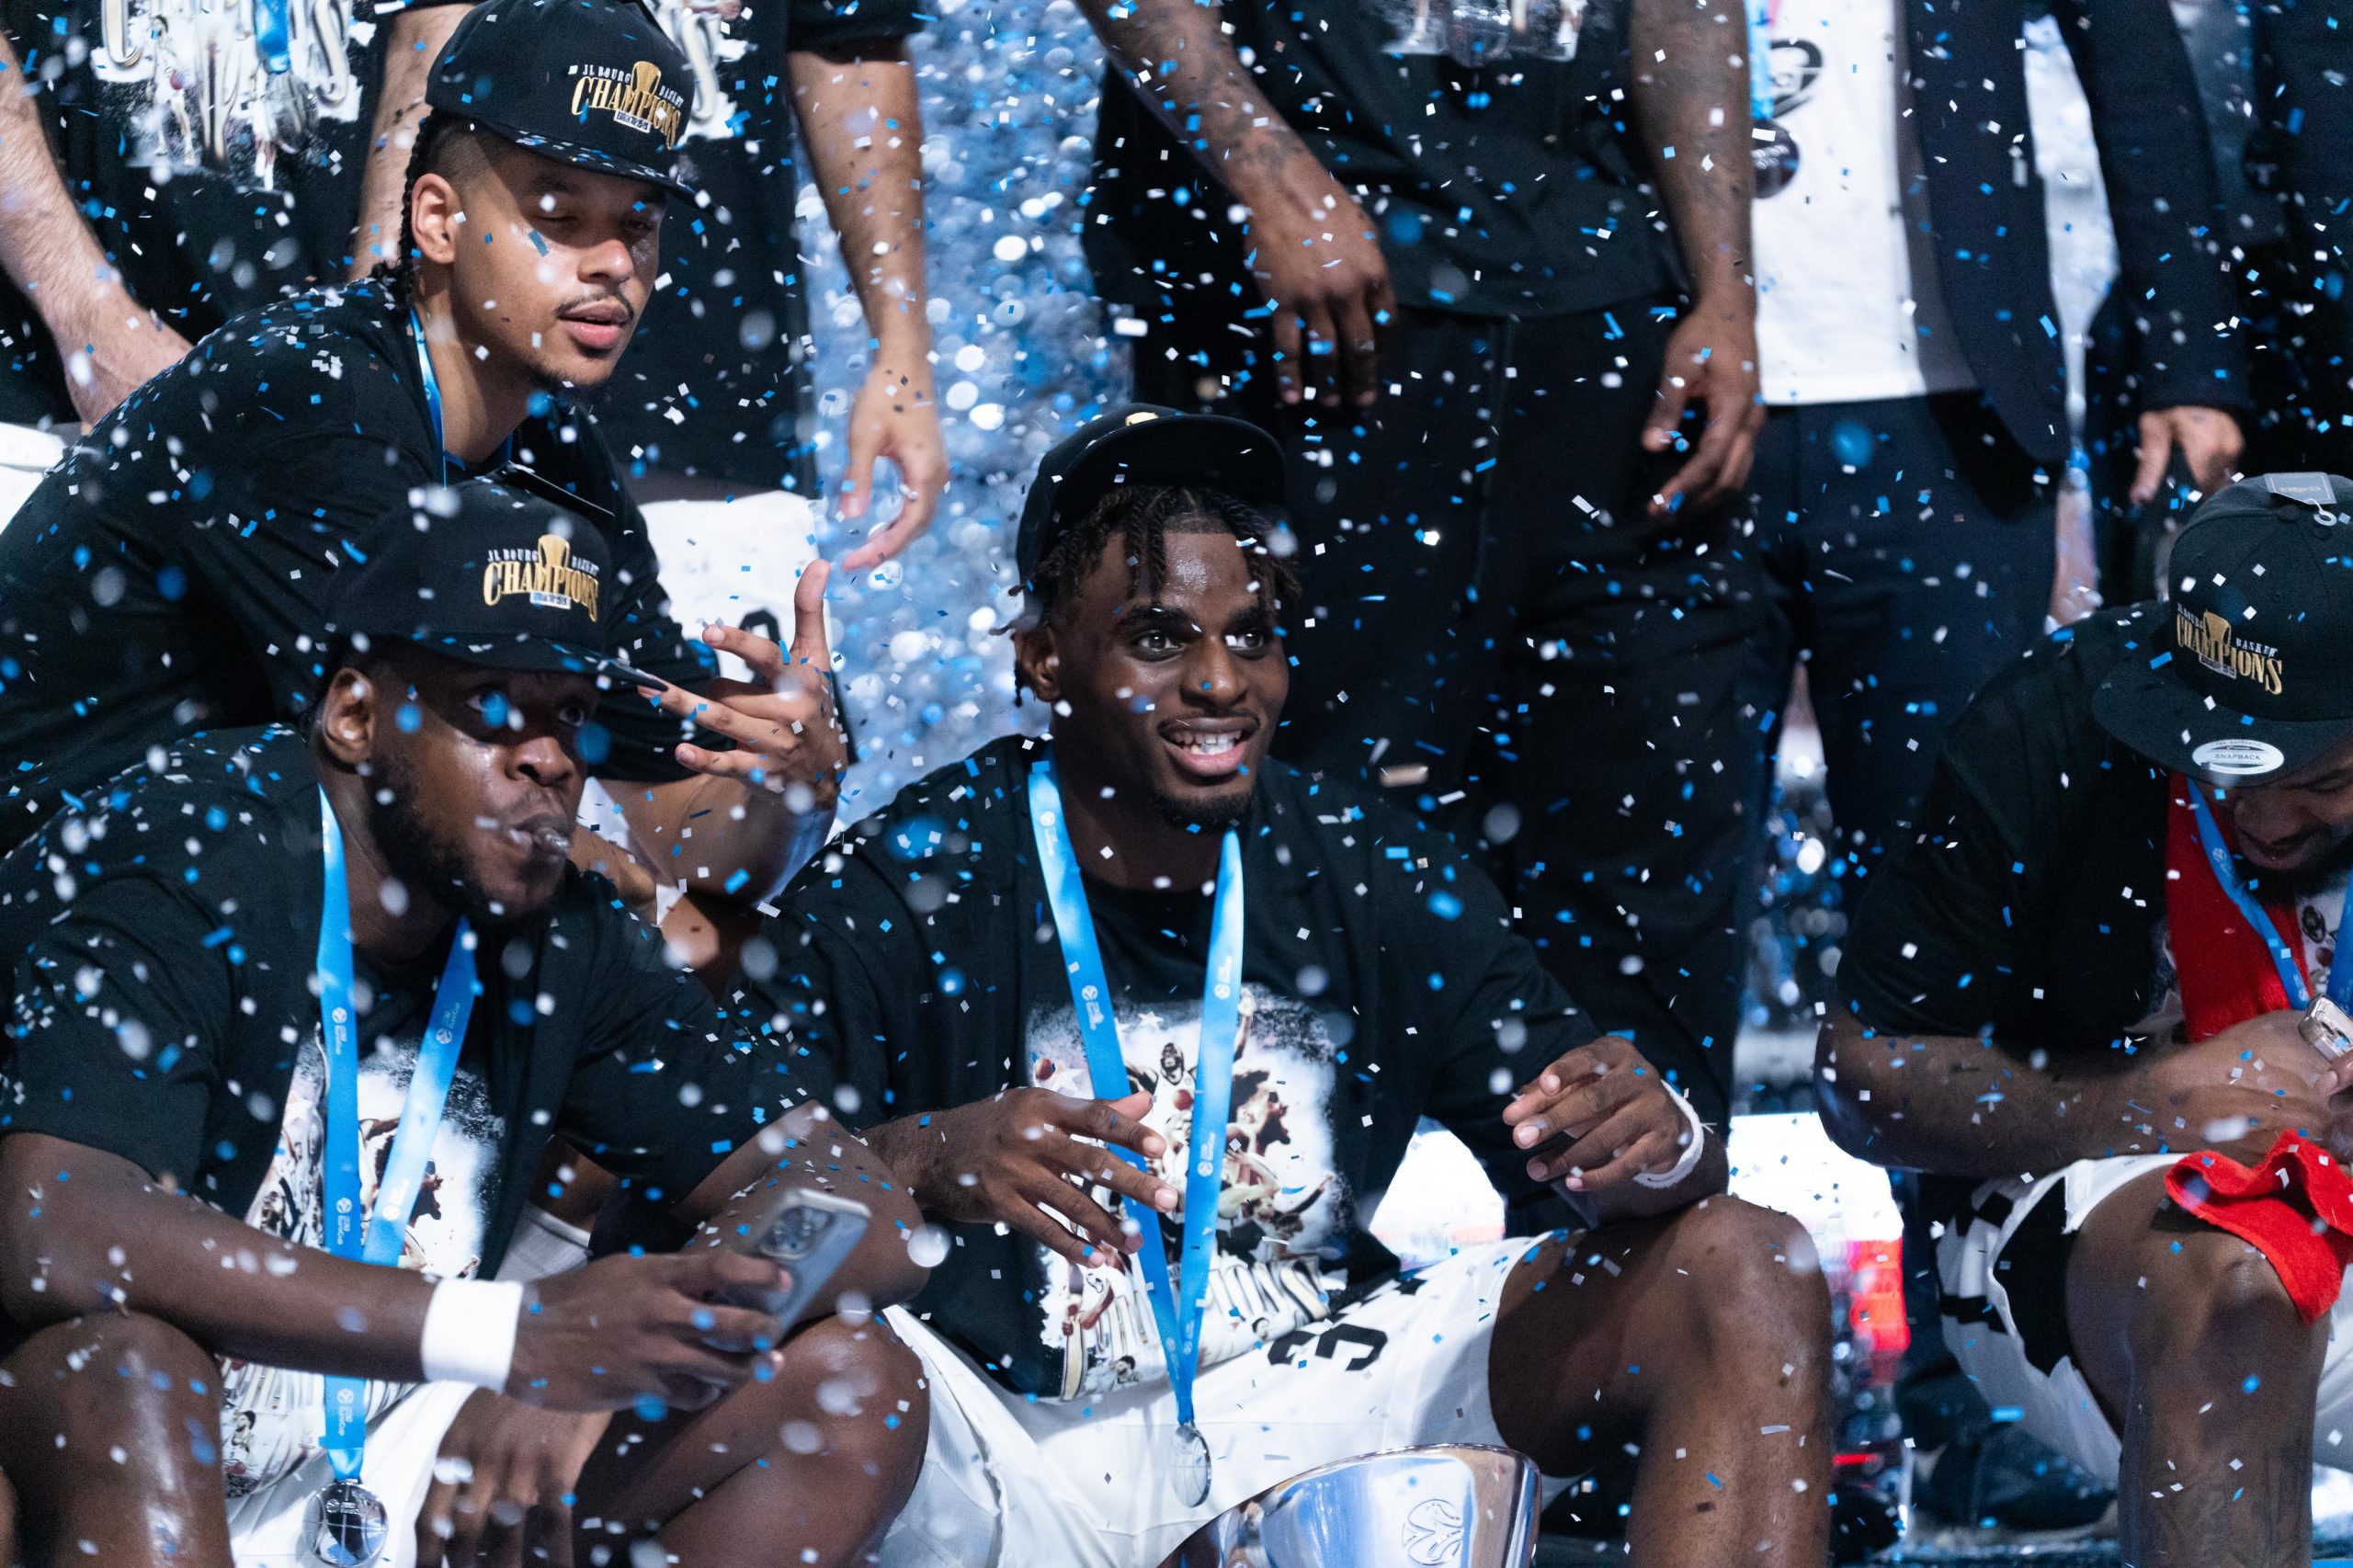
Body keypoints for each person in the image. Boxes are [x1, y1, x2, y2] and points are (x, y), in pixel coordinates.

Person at [748, 409, 1835, 1566]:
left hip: (1304, 1413)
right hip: (990, 1440)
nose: (1221, 680)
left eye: (1253, 635)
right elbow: (721, 1218)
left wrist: (1659, 1145)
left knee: (1745, 1263)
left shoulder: (1373, 866)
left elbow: (1613, 1154)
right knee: (810, 1373)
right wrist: (921, 1159)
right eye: (1158, 638)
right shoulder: (911, 876)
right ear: (1045, 658)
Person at [0, 479, 930, 1567]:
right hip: (94, 1451)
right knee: (126, 1369)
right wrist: (513, 1333)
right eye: (492, 704)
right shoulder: (194, 843)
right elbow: (56, 1227)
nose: (550, 758)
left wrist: (643, 1347)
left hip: (365, 1449)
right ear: (355, 716)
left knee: (851, 1384)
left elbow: (853, 1196)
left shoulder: (557, 927)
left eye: (570, 713)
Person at [0, 0, 841, 937]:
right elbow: (414, 803)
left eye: (638, 224)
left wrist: (793, 781)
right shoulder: (304, 395)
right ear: (437, 218)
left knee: (770, 959)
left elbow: (691, 834)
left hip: (204, 906)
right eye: (560, 216)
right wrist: (663, 920)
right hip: (55, 909)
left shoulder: (557, 456)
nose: (613, 263)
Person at [1818, 472, 2353, 1565]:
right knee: (2237, 1277)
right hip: (2083, 1204)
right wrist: (2152, 1098)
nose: (2261, 813)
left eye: (2322, 777)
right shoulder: (2049, 721)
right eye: (2214, 753)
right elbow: (1860, 1072)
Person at [353, 0, 949, 596]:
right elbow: (431, 44)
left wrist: (903, 356)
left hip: (713, 420)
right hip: (452, 392)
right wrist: (369, 366)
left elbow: (849, 39)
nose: (613, 261)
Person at [0, 0, 386, 512]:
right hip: (49, 409)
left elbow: (428, 44)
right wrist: (83, 311)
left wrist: (376, 340)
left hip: (324, 424)